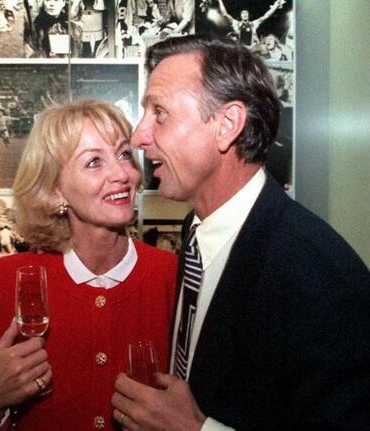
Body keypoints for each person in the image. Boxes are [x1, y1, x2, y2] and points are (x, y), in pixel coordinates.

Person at [111, 34, 370, 430]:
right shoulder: (196, 229)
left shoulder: (320, 277)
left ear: (227, 125)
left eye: (159, 112)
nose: (139, 136)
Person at [0, 100, 178, 430]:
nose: (122, 174)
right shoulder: (11, 279)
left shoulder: (172, 275)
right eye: (93, 162)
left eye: (123, 154)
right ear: (55, 190)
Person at [218, 0, 285, 47]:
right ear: (240, 15)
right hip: (242, 49)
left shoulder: (254, 24)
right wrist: (220, 1)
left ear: (248, 15)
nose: (245, 15)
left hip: (253, 49)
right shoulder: (236, 24)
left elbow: (266, 16)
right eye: (243, 13)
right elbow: (225, 14)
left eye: (246, 13)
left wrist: (275, 6)